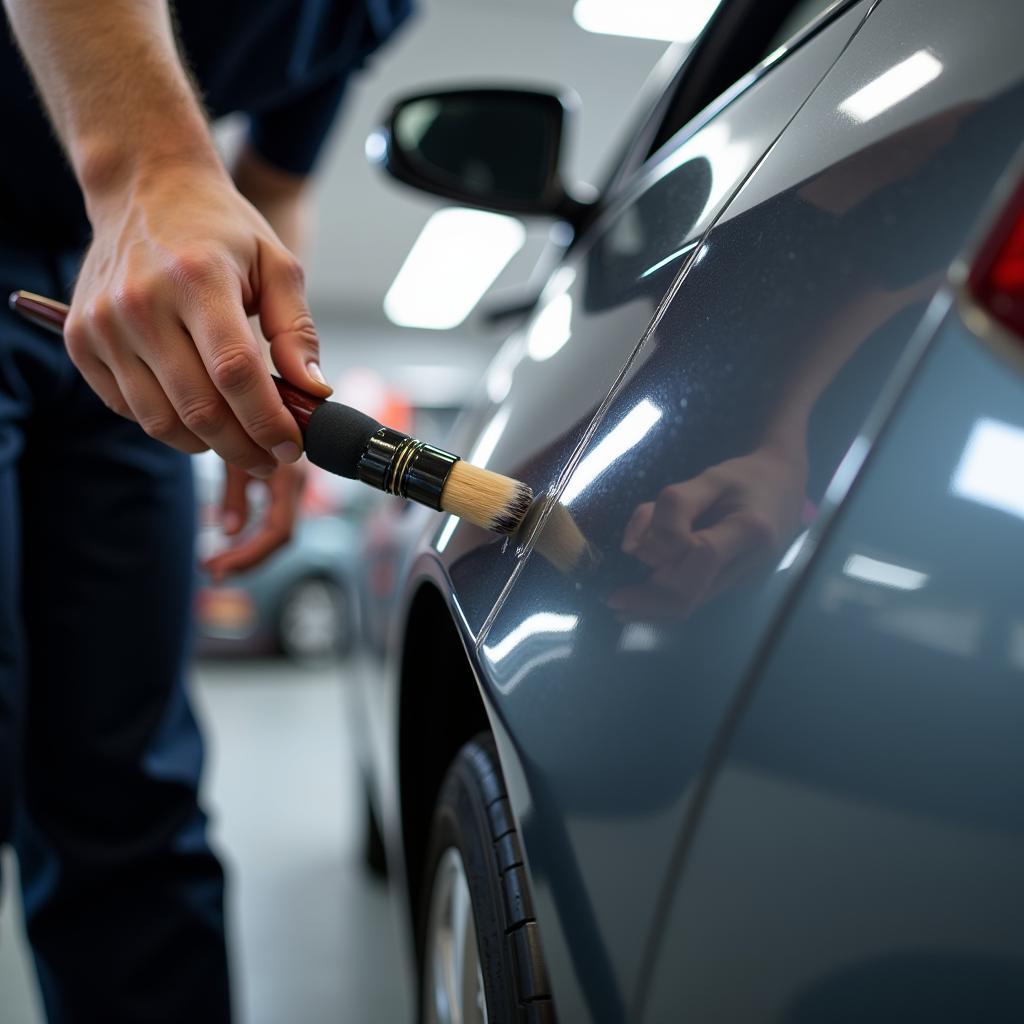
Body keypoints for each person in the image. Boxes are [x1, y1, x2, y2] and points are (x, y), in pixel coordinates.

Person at [0, 0, 410, 1019]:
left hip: (108, 297)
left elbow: (275, 186)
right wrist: (153, 167)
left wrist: (277, 387)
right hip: (104, 227)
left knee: (128, 779)